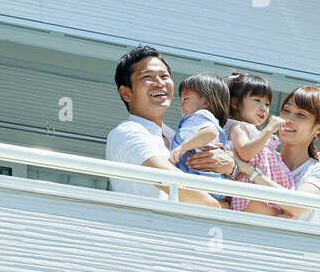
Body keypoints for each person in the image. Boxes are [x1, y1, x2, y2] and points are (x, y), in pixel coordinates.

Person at [104, 45, 234, 206]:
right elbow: (171, 180)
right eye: (148, 77)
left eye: (164, 76)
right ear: (126, 93)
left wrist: (230, 168)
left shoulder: (176, 136)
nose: (159, 83)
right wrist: (219, 206)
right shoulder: (128, 132)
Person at [249, 86, 320, 225]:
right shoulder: (263, 157)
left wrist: (250, 172)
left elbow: (296, 205)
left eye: (301, 114)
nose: (288, 119)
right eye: (286, 110)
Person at [224, 72, 296, 214]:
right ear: (235, 103)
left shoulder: (254, 131)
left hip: (262, 191)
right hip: (249, 195)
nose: (264, 107)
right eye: (257, 100)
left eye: (267, 104)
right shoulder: (236, 126)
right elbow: (245, 153)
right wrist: (269, 129)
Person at [168, 73, 231, 203]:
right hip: (209, 183)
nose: (181, 106)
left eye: (185, 99)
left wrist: (182, 147)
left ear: (205, 101)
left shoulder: (200, 116)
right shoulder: (202, 119)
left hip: (202, 180)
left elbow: (210, 132)